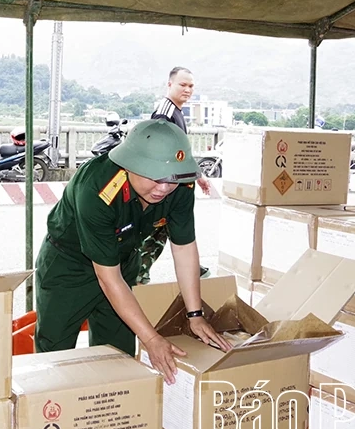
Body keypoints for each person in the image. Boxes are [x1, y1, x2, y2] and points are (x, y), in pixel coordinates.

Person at [34, 119, 231, 384]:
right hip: (69, 266)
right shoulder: (97, 189)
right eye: (154, 177)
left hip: (123, 259)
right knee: (55, 355)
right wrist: (150, 338)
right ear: (130, 165)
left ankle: (110, 417)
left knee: (118, 358)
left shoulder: (181, 184)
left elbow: (184, 248)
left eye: (171, 179)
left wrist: (194, 315)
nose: (163, 188)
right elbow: (107, 277)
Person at [147, 66, 210, 282]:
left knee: (170, 233)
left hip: (176, 186)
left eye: (191, 86)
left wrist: (197, 175)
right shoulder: (164, 113)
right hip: (165, 188)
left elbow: (180, 151)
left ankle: (191, 267)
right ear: (169, 84)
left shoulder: (176, 111)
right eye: (182, 85)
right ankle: (136, 278)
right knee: (152, 237)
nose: (187, 90)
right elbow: (159, 152)